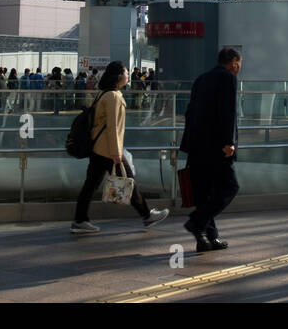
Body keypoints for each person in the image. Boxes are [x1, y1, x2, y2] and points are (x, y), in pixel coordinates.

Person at [71, 62, 169, 234]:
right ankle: (147, 215)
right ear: (118, 76)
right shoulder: (114, 97)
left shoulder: (104, 93)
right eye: (126, 72)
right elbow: (113, 127)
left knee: (91, 184)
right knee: (128, 179)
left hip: (98, 148)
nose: (128, 74)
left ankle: (80, 220)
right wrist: (117, 153)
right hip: (108, 150)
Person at [179, 48, 241, 251]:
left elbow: (190, 112)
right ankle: (197, 222)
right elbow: (228, 112)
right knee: (229, 187)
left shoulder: (201, 78)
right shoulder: (228, 78)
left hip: (197, 146)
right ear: (233, 62)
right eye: (239, 63)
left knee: (205, 193)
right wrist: (229, 142)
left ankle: (207, 238)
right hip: (217, 147)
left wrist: (188, 144)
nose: (239, 67)